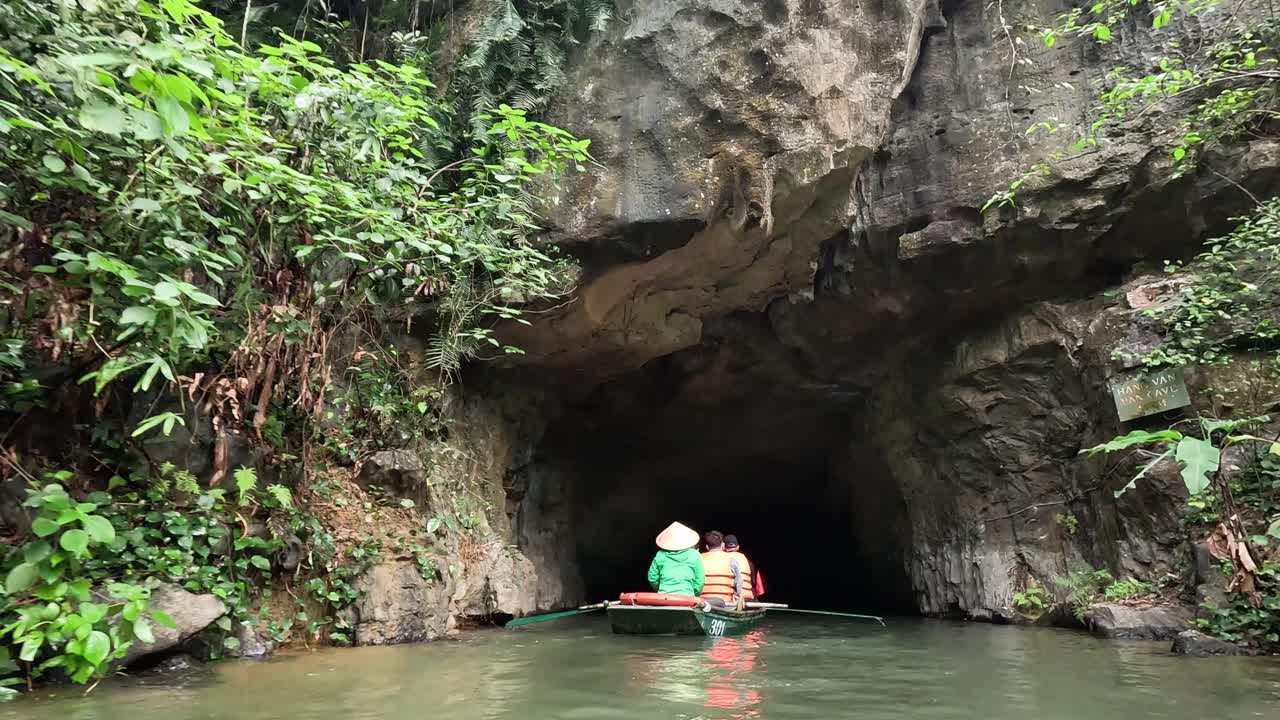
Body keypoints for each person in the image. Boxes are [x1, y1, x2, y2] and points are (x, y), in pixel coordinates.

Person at [647, 522, 705, 596]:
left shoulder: (660, 554)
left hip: (664, 596)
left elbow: (652, 578)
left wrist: (662, 589)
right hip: (687, 597)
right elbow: (699, 581)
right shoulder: (694, 554)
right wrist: (693, 593)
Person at [699, 530, 743, 606]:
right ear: (723, 545)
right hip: (726, 604)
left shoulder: (698, 559)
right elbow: (738, 585)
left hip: (703, 603)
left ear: (707, 547)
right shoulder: (731, 560)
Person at [724, 534, 763, 600]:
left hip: (730, 598)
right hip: (748, 598)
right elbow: (755, 584)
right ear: (738, 547)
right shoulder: (749, 562)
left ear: (723, 547)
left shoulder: (722, 560)